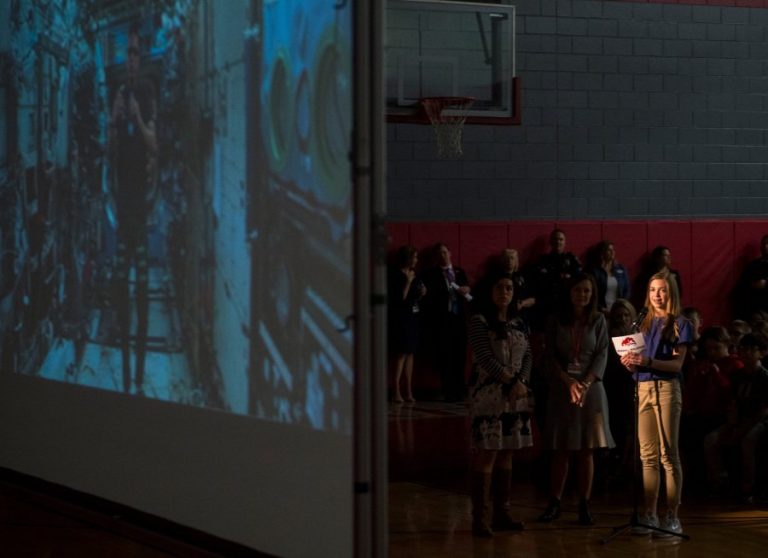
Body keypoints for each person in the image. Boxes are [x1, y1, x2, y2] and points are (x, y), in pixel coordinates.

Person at [620, 271, 693, 537]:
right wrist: (630, 364)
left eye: (662, 290)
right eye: (652, 290)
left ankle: (672, 515)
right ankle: (649, 513)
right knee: (647, 456)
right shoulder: (643, 323)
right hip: (643, 388)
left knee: (668, 455)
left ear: (670, 292)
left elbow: (676, 365)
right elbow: (637, 364)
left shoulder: (680, 323)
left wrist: (647, 363)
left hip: (666, 389)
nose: (657, 295)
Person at [538, 273, 614, 526]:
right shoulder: (556, 320)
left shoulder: (599, 320)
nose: (582, 295)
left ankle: (584, 504)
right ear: (569, 292)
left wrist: (586, 382)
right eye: (578, 290)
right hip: (563, 387)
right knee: (562, 449)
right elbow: (549, 355)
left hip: (590, 389)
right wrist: (567, 381)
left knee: (586, 450)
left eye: (587, 291)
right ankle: (555, 502)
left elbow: (602, 353)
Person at [108, 24, 158, 394]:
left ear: (141, 61)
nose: (131, 61)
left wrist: (137, 117)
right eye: (127, 55)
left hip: (139, 206)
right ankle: (125, 369)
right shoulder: (118, 94)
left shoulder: (146, 92)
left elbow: (154, 146)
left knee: (141, 284)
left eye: (136, 54)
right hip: (123, 205)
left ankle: (138, 380)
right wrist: (113, 122)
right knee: (119, 281)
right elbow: (110, 153)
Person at [467, 272, 533, 537]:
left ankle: (502, 512)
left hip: (516, 396)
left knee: (508, 451)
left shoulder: (519, 322)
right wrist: (509, 381)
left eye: (509, 288)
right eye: (499, 287)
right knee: (488, 452)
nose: (505, 292)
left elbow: (528, 354)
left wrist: (523, 381)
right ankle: (480, 518)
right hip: (490, 396)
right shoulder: (479, 321)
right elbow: (483, 356)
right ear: (490, 291)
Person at [704, 333, 768, 503]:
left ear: (762, 353)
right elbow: (733, 402)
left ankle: (749, 487)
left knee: (749, 441)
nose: (746, 353)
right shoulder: (737, 375)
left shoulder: (764, 376)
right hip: (739, 420)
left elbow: (764, 411)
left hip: (759, 421)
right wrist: (732, 424)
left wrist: (741, 429)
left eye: (751, 350)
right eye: (743, 349)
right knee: (711, 440)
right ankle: (720, 482)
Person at [681, 326, 741, 489]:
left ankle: (718, 481)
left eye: (717, 348)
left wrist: (717, 375)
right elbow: (693, 393)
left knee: (706, 437)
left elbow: (731, 396)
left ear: (726, 345)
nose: (712, 352)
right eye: (709, 349)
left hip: (723, 417)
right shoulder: (703, 365)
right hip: (704, 414)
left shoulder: (735, 365)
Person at [421, 243, 471, 401]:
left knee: (460, 354)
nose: (443, 256)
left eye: (445, 252)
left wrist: (466, 290)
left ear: (450, 252)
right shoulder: (431, 274)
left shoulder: (458, 271)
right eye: (439, 253)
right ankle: (447, 389)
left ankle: (460, 388)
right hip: (443, 319)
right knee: (445, 355)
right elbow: (429, 297)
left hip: (459, 317)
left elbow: (467, 287)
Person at [387, 245, 426, 403]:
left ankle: (408, 389)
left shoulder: (414, 274)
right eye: (414, 257)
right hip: (400, 318)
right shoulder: (395, 274)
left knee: (410, 353)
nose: (416, 260)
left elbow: (415, 296)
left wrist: (422, 292)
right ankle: (396, 390)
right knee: (401, 353)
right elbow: (399, 298)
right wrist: (408, 282)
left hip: (412, 316)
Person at [532, 229, 581, 327]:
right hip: (547, 306)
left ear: (565, 242)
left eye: (561, 239)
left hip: (567, 305)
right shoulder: (543, 260)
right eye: (555, 239)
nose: (558, 242)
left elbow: (579, 279)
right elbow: (540, 282)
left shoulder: (571, 259)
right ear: (551, 242)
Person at [591, 240, 631, 315]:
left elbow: (627, 289)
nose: (613, 252)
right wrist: (600, 308)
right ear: (602, 252)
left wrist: (622, 306)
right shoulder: (595, 271)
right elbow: (593, 293)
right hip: (601, 311)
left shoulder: (620, 269)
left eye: (613, 250)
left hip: (619, 310)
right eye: (609, 250)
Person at [734, 234, 768, 320]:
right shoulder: (754, 264)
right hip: (755, 307)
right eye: (763, 244)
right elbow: (744, 284)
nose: (765, 247)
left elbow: (761, 284)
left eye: (767, 244)